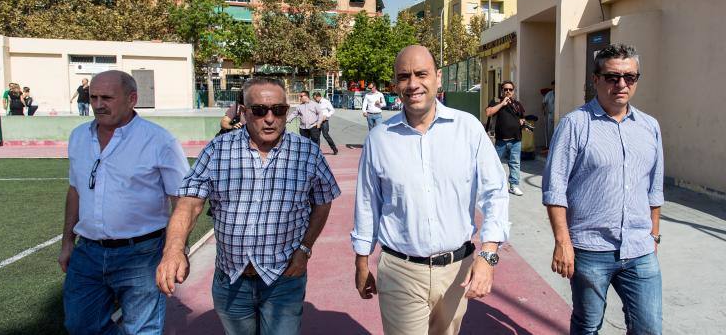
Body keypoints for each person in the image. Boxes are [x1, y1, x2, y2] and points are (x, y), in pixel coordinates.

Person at [156, 77, 340, 335]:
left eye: (278, 110)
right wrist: (174, 249)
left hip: (284, 279)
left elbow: (323, 201)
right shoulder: (217, 150)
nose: (269, 118)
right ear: (243, 112)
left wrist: (305, 249)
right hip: (231, 279)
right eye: (259, 110)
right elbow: (189, 202)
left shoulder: (307, 153)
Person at [352, 45, 509, 335]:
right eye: (404, 76)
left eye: (421, 74)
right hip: (401, 271)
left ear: (438, 78)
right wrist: (362, 261)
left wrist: (488, 256)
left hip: (456, 271)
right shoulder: (379, 139)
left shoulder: (468, 129)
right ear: (395, 84)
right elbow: (366, 204)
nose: (413, 84)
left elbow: (495, 193)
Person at [543, 44, 663, 335]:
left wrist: (654, 236)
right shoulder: (575, 124)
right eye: (612, 77)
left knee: (649, 327)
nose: (621, 84)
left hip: (639, 248)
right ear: (595, 79)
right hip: (590, 250)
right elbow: (554, 188)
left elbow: (654, 188)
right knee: (588, 325)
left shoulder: (650, 126)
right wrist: (563, 242)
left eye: (630, 77)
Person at [59, 70, 189, 335]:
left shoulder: (159, 140)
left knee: (142, 330)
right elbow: (75, 190)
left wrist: (176, 250)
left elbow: (183, 199)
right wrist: (67, 242)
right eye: (93, 97)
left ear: (132, 99)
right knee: (80, 326)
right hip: (88, 253)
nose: (97, 104)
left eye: (106, 97)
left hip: (141, 254)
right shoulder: (79, 137)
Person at [485, 81, 526, 196]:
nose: (508, 91)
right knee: (495, 163)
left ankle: (514, 186)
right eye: (505, 89)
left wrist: (523, 123)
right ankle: (493, 185)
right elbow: (488, 112)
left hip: (516, 139)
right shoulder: (496, 101)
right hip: (501, 140)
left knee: (515, 163)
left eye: (510, 90)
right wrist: (502, 103)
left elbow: (522, 118)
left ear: (513, 91)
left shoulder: (517, 104)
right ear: (502, 91)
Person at [542, 81, 556, 146]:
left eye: (555, 86)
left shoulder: (559, 92)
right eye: (553, 86)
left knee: (556, 130)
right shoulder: (549, 94)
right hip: (550, 115)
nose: (554, 87)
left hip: (557, 114)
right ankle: (549, 146)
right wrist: (543, 109)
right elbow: (544, 103)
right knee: (550, 131)